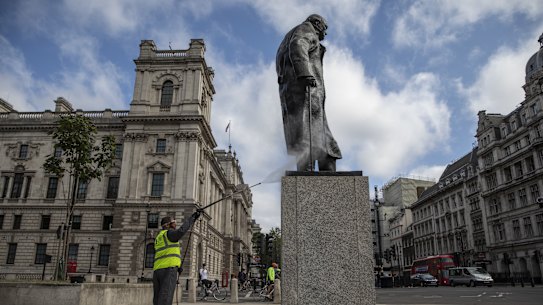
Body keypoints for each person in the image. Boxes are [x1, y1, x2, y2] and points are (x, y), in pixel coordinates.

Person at [276, 14, 342, 171]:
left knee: (312, 136)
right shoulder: (306, 30)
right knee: (309, 133)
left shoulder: (289, 35)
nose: (325, 34)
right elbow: (298, 45)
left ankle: (317, 168)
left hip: (296, 93)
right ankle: (313, 170)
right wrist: (304, 73)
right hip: (306, 92)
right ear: (317, 24)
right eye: (324, 29)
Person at [153, 211, 201, 305]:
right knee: (166, 298)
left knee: (158, 298)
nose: (176, 224)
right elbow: (181, 232)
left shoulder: (159, 237)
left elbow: (165, 253)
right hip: (168, 270)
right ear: (167, 225)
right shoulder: (169, 233)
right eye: (174, 222)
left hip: (158, 271)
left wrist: (177, 266)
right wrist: (192, 218)